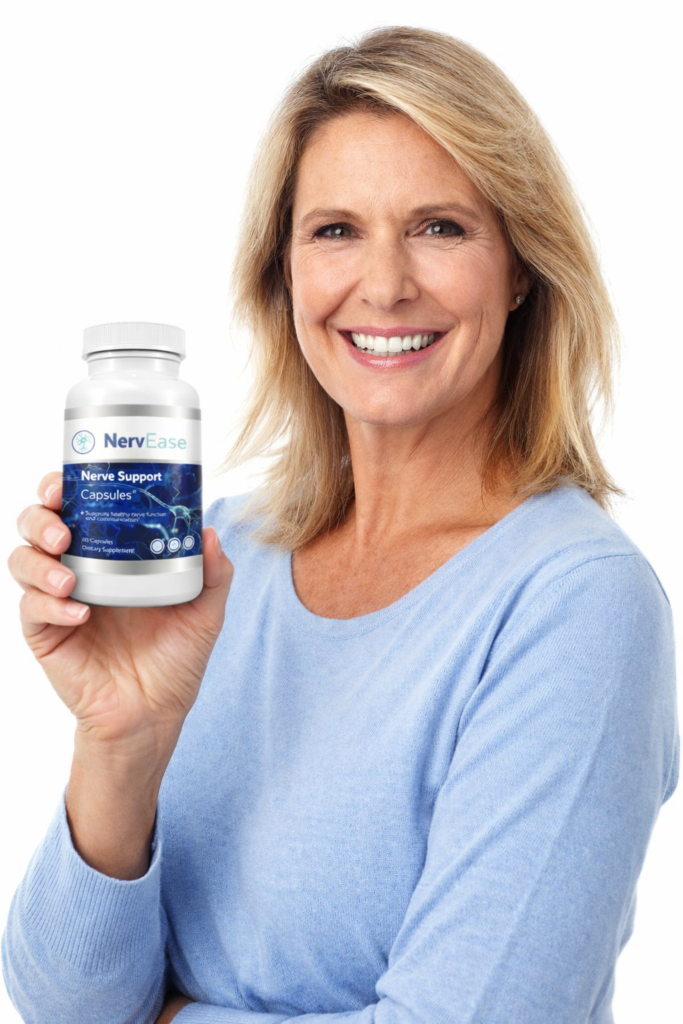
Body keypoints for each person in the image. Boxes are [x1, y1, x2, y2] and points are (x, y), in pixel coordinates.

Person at [2, 25, 679, 1024]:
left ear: (520, 267)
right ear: (283, 273)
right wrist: (122, 742)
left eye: (439, 227)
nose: (385, 283)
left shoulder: (575, 604)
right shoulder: (216, 554)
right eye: (334, 231)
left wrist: (169, 1015)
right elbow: (64, 1005)